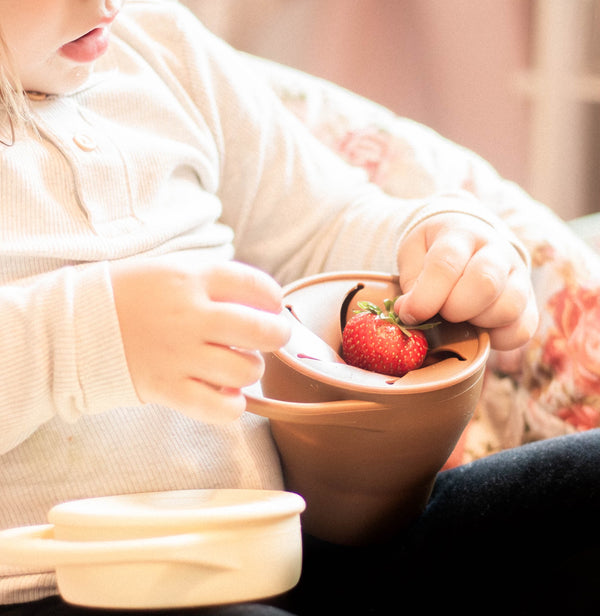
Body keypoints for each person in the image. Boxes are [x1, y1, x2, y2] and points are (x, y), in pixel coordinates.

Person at [1, 1, 594, 615]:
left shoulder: (159, 46)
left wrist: (441, 243)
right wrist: (77, 339)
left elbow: (323, 227)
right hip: (61, 584)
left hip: (298, 537)